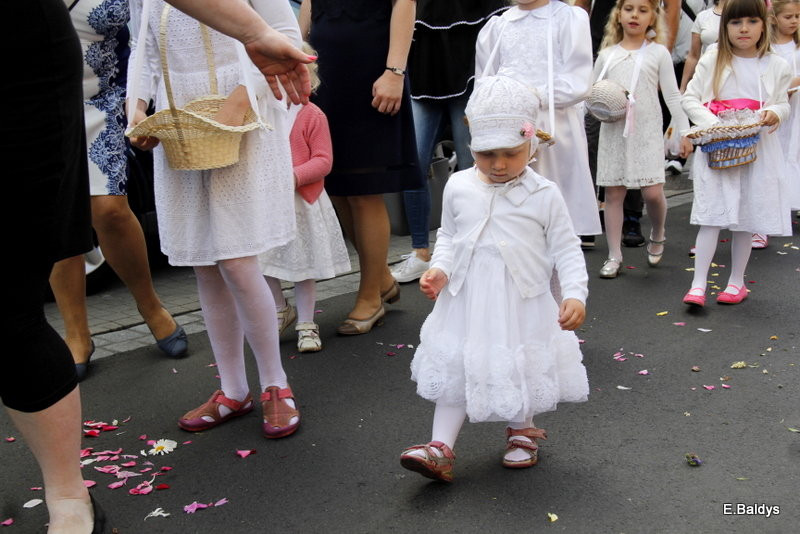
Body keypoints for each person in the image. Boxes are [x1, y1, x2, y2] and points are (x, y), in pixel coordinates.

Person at [399, 76, 589, 482]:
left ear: (531, 145)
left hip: (522, 299)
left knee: (519, 361)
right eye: (487, 154)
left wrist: (574, 294)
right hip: (467, 298)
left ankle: (521, 430)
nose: (499, 164)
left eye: (510, 153)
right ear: (472, 148)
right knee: (459, 365)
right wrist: (440, 269)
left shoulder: (544, 194)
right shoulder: (458, 185)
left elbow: (566, 248)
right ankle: (440, 446)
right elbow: (449, 236)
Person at [127, 0, 302, 438]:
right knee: (205, 263)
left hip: (242, 112)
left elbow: (286, 36)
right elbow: (142, 48)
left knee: (238, 262)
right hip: (181, 123)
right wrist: (138, 107)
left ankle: (276, 383)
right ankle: (233, 389)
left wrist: (240, 100)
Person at [50, 0, 187, 383]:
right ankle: (77, 333)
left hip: (107, 97)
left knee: (109, 209)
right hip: (41, 104)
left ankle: (151, 307)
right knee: (60, 216)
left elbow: (150, 26)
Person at [302, 0, 425, 335]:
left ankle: (370, 296)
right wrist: (298, 54)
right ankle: (381, 277)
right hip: (324, 68)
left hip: (372, 67)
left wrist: (395, 71)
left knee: (363, 188)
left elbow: (405, 2)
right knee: (335, 185)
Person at [681, 0, 792, 308]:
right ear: (725, 27)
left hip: (756, 149)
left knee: (746, 215)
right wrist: (714, 124)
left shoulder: (776, 64)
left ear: (764, 25)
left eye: (752, 22)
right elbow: (690, 98)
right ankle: (698, 283)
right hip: (719, 147)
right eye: (735, 22)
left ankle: (736, 281)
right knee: (710, 216)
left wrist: (774, 112)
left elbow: (782, 103)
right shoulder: (714, 58)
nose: (744, 29)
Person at [391, 0, 509, 283]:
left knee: (472, 166)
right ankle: (420, 252)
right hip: (424, 66)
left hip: (466, 63)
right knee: (412, 164)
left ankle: (473, 247)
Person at [476, 0, 603, 245]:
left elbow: (578, 81)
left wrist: (533, 96)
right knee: (511, 209)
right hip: (508, 129)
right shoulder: (498, 26)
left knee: (554, 206)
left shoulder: (567, 19)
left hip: (553, 126)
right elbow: (485, 81)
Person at [261, 45, 351, 353]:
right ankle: (279, 308)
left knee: (303, 267)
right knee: (263, 261)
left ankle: (307, 323)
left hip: (303, 202)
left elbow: (323, 160)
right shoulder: (263, 114)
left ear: (306, 78)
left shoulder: (313, 115)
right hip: (270, 204)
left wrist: (293, 177)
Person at [594, 0, 693, 278]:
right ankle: (614, 255)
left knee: (652, 192)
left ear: (652, 17)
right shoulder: (607, 55)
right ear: (619, 15)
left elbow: (671, 95)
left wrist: (684, 132)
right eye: (629, 9)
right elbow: (592, 92)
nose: (634, 15)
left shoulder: (658, 53)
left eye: (642, 10)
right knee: (614, 193)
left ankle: (658, 231)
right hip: (614, 132)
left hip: (647, 130)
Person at [768, 0, 800, 234]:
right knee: (776, 151)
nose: (794, 21)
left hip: (797, 106)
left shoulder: (797, 46)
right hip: (777, 107)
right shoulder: (768, 47)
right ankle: (775, 205)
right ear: (774, 18)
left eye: (797, 16)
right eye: (788, 17)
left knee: (795, 151)